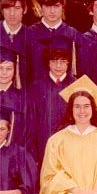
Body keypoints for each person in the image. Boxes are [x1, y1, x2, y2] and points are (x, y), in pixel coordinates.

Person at [27, 35, 77, 166]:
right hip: (43, 145)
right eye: (54, 61)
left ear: (68, 62)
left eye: (63, 61)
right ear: (47, 62)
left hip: (72, 146)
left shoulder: (77, 85)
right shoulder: (36, 86)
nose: (58, 66)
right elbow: (31, 121)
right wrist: (34, 153)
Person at [25, 0, 79, 84]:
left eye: (56, 6)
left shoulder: (73, 34)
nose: (52, 11)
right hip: (36, 90)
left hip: (66, 91)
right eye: (47, 6)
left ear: (63, 7)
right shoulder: (29, 33)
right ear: (41, 7)